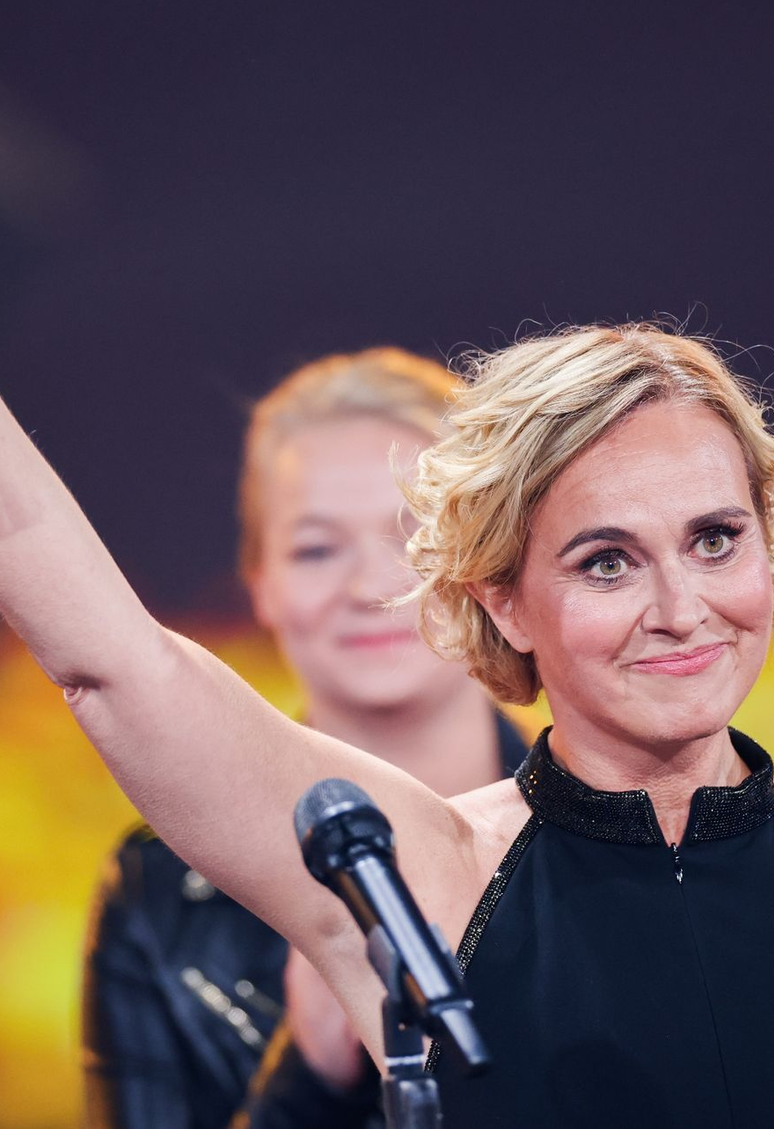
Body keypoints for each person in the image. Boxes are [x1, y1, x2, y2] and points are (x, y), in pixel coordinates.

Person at [0, 322, 774, 1127]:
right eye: (607, 560)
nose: (682, 607)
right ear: (501, 596)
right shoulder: (428, 876)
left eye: (716, 539)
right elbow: (113, 662)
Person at [80, 348, 528, 1129]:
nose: (368, 585)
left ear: (490, 561)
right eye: (317, 549)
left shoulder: (618, 828)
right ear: (261, 581)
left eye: (414, 535)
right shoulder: (156, 891)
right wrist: (313, 1074)